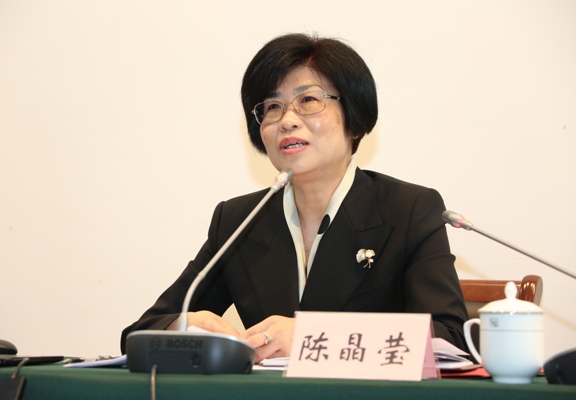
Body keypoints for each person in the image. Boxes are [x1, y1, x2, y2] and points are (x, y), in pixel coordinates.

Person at [120, 33, 469, 359]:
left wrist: (310, 337)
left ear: (355, 119)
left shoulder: (409, 211)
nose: (287, 120)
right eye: (272, 107)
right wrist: (185, 325)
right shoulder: (239, 221)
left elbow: (451, 339)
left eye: (308, 100)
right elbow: (139, 333)